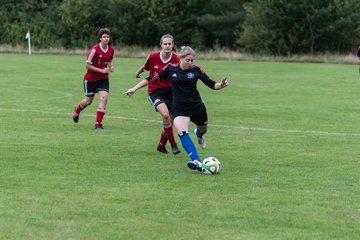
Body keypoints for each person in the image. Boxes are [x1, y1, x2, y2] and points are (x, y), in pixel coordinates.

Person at [126, 46, 229, 171]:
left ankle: (199, 134)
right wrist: (134, 88)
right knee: (182, 132)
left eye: (192, 60)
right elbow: (150, 78)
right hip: (180, 108)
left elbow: (212, 84)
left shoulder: (196, 70)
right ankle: (197, 162)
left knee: (203, 129)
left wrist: (221, 85)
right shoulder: (171, 69)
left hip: (197, 106)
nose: (190, 63)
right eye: (188, 60)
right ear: (181, 58)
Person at [125, 34, 181, 155]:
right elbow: (146, 68)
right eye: (165, 44)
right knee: (165, 115)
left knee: (168, 123)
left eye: (169, 44)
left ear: (172, 45)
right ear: (161, 45)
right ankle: (174, 145)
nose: (167, 46)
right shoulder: (153, 57)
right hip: (155, 91)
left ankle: (161, 146)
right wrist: (137, 74)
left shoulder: (177, 60)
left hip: (170, 93)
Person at [72, 28, 114, 129]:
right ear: (100, 38)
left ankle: (97, 124)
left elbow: (109, 61)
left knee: (104, 97)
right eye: (104, 37)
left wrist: (110, 66)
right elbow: (87, 65)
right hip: (90, 79)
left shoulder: (111, 50)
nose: (106, 39)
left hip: (103, 79)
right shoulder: (94, 50)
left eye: (108, 37)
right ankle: (76, 111)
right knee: (88, 101)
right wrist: (101, 71)